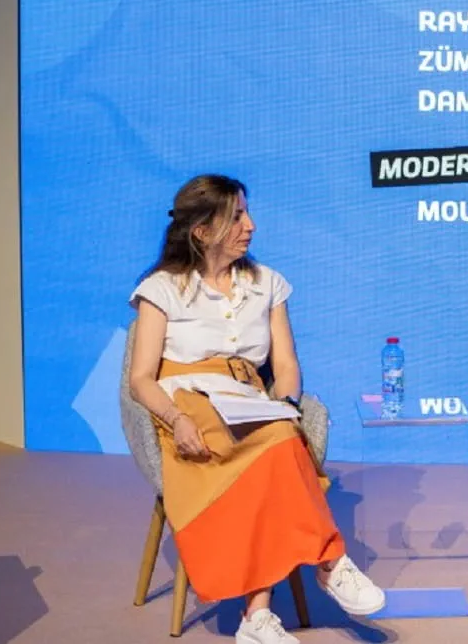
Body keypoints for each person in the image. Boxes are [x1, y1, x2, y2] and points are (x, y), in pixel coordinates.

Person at [126, 175, 385, 644]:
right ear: (202, 230)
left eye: (246, 213)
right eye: (237, 216)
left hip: (247, 399)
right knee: (278, 446)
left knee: (280, 436)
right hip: (188, 402)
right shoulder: (162, 288)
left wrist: (284, 405)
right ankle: (329, 562)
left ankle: (258, 615)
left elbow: (285, 366)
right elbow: (141, 378)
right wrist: (177, 420)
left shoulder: (266, 284)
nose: (251, 225)